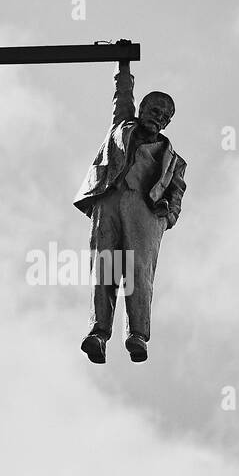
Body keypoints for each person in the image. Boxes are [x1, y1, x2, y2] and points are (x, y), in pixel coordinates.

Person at [73, 50, 186, 363]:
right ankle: (98, 332)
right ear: (142, 109)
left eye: (164, 114)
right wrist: (123, 63)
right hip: (109, 200)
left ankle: (137, 334)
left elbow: (177, 193)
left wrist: (167, 213)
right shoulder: (123, 126)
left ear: (168, 122)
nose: (157, 116)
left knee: (138, 272)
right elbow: (122, 93)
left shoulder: (173, 160)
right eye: (153, 109)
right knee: (104, 268)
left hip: (144, 211)